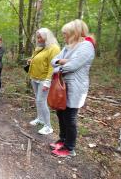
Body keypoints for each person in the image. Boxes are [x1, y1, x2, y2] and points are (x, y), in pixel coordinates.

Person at [50, 19, 95, 157]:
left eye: (66, 34)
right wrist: (61, 62)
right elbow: (53, 61)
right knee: (60, 113)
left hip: (76, 86)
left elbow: (72, 66)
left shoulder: (86, 46)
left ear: (74, 33)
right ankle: (63, 140)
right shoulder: (68, 46)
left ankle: (69, 148)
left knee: (70, 117)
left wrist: (62, 64)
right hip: (62, 85)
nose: (64, 36)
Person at [27, 28, 60, 135]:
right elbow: (37, 59)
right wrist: (31, 60)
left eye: (40, 37)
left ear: (47, 36)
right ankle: (40, 119)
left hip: (44, 79)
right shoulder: (40, 48)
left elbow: (53, 66)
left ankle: (48, 126)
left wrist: (47, 81)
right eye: (37, 37)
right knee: (38, 99)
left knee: (42, 101)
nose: (38, 39)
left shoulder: (53, 48)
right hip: (34, 77)